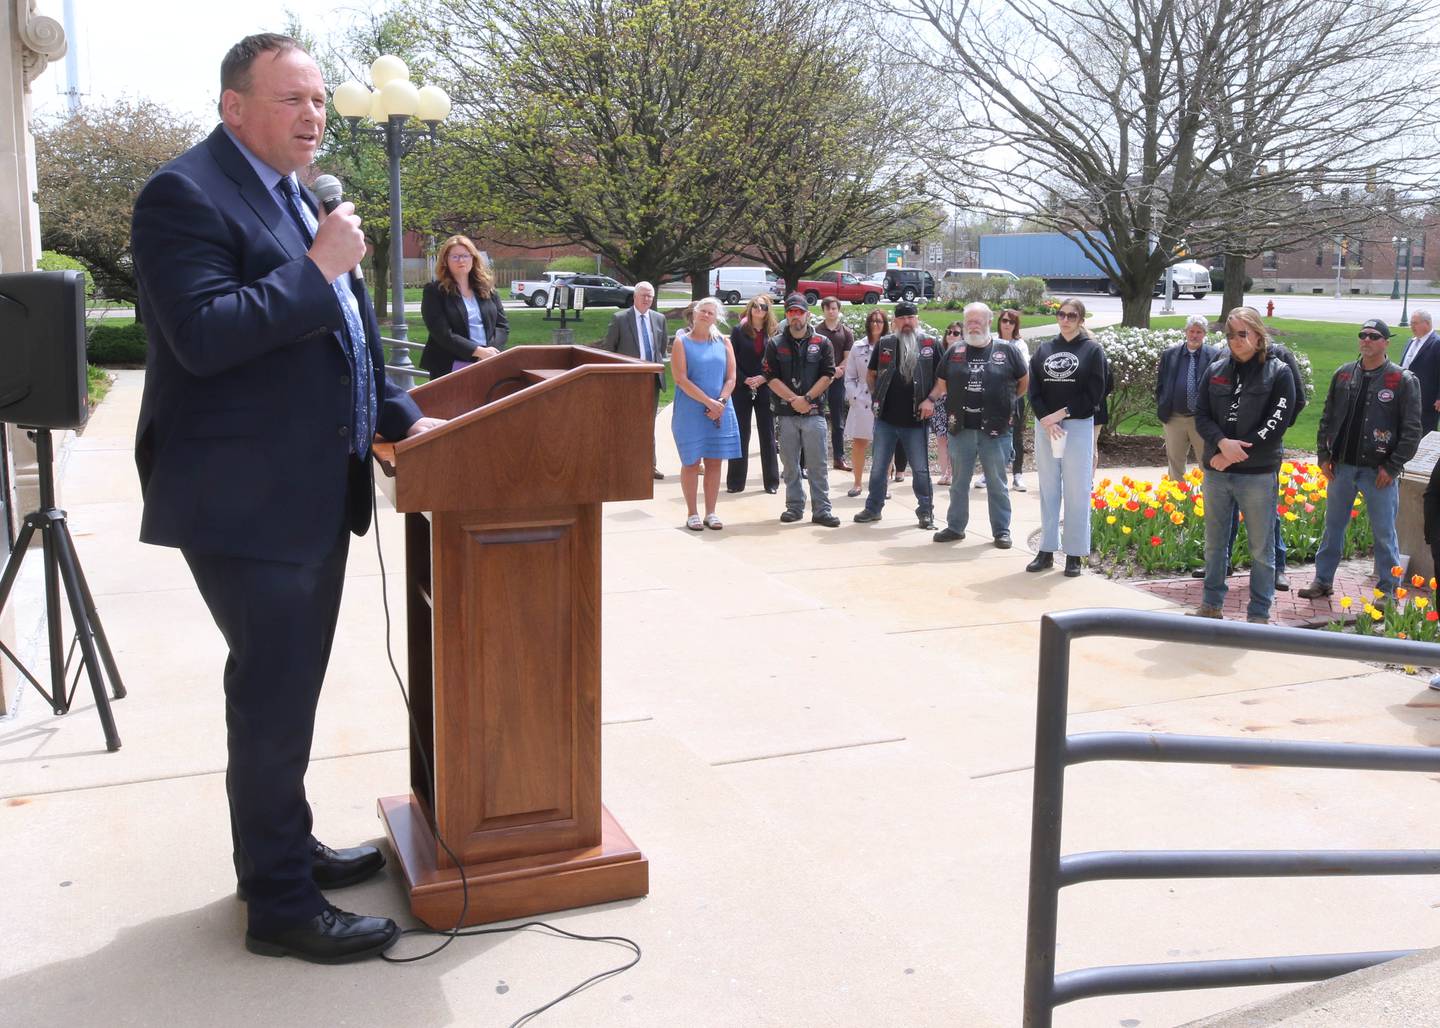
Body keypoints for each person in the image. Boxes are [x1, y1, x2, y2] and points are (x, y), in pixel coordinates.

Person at [130, 33, 443, 963]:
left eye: (317, 100)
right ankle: (280, 906)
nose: (314, 116)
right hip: (245, 500)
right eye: (292, 100)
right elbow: (203, 334)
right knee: (270, 699)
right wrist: (318, 269)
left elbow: (342, 331)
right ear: (235, 107)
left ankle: (285, 850)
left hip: (310, 491)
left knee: (290, 694)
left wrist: (405, 415)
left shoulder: (295, 193)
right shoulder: (183, 194)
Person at [1299, 318, 1422, 600]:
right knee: (1333, 528)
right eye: (1363, 335)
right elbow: (1327, 418)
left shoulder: (1402, 380)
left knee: (1384, 533)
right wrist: (1323, 455)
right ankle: (1322, 580)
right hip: (1341, 467)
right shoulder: (1344, 375)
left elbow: (1412, 430)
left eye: (1374, 336)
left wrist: (1392, 466)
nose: (1366, 340)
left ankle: (1389, 589)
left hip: (1377, 471)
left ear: (1386, 342)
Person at [1192, 307, 1297, 623]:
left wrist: (1234, 453)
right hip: (1218, 472)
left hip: (1257, 473)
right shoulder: (1216, 369)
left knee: (1261, 549)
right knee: (1214, 545)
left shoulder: (1279, 373)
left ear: (1258, 335)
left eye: (1242, 334)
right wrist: (1222, 445)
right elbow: (1201, 414)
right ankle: (1211, 606)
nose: (1235, 341)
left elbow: (1276, 423)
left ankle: (1259, 613)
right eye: (1230, 334)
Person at [929, 303, 1027, 547]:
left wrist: (1006, 402)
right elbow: (942, 382)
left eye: (978, 320)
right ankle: (955, 527)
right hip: (961, 429)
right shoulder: (955, 351)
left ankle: (1001, 531)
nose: (973, 325)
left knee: (997, 483)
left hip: (995, 430)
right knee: (959, 483)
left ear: (988, 321)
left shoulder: (1007, 351)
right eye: (969, 321)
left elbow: (1023, 383)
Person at [1027, 299, 1108, 576]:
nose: (1065, 320)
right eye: (1061, 314)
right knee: (1049, 489)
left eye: (1072, 316)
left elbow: (1094, 394)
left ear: (1081, 320)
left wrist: (1060, 414)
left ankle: (1074, 553)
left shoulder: (1092, 351)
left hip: (1076, 426)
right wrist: (1045, 419)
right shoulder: (1044, 349)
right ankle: (1046, 550)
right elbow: (1034, 390)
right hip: (1047, 427)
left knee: (1076, 490)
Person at [854, 300, 941, 529]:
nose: (906, 323)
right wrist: (877, 397)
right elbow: (871, 374)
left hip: (917, 420)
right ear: (894, 322)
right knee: (879, 468)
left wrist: (930, 400)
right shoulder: (885, 343)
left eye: (910, 318)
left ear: (917, 319)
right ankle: (873, 508)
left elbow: (944, 380)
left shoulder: (931, 344)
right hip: (886, 419)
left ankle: (926, 513)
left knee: (921, 470)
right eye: (902, 319)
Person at [763, 294, 841, 527]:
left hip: (814, 412)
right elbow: (770, 376)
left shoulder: (822, 343)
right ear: (786, 316)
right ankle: (794, 507)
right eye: (791, 313)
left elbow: (828, 374)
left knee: (817, 464)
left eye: (800, 312)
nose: (795, 317)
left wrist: (807, 398)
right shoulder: (775, 344)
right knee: (789, 465)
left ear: (807, 314)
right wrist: (793, 399)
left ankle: (822, 510)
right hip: (786, 414)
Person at [670, 296, 742, 529]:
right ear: (694, 312)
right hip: (691, 411)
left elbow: (731, 377)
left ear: (717, 317)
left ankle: (711, 512)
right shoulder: (682, 342)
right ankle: (692, 513)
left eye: (711, 312)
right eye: (702, 310)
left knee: (714, 462)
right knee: (691, 462)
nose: (706, 315)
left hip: (720, 410)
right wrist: (708, 402)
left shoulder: (724, 343)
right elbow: (680, 379)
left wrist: (720, 402)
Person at [599, 280, 669, 480]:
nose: (647, 299)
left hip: (651, 379)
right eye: (643, 295)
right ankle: (622, 464)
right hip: (627, 381)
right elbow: (608, 350)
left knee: (648, 423)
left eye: (650, 296)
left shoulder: (659, 318)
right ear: (635, 297)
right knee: (626, 423)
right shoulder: (620, 318)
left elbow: (661, 348)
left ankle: (650, 465)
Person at [418, 235, 507, 379]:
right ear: (445, 260)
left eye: (465, 255)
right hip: (450, 365)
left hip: (488, 362)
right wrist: (477, 351)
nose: (461, 260)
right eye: (455, 257)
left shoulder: (487, 289)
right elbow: (442, 333)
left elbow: (502, 326)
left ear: (473, 258)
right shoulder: (434, 291)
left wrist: (490, 352)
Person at [1156, 314, 1220, 483]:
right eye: (1191, 331)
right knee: (1175, 463)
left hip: (1202, 420)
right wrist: (1163, 404)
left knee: (1207, 463)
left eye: (1199, 332)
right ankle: (1175, 501)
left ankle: (1206, 503)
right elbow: (1161, 384)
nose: (1194, 335)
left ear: (1204, 334)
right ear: (1185, 332)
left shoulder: (1215, 356)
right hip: (1174, 418)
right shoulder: (1170, 355)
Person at [726, 294, 780, 494]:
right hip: (742, 388)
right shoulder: (739, 331)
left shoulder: (773, 333)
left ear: (768, 311)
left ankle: (771, 483)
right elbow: (731, 360)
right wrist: (744, 379)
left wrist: (764, 378)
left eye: (764, 307)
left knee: (768, 434)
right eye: (756, 306)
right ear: (750, 308)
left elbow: (777, 362)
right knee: (741, 434)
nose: (759, 309)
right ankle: (735, 482)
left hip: (765, 387)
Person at [844, 310, 887, 497]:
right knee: (859, 442)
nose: (876, 324)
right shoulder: (858, 346)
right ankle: (857, 482)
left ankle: (882, 485)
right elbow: (849, 377)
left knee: (886, 443)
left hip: (886, 398)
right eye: (873, 321)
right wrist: (854, 397)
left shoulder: (892, 344)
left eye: (880, 321)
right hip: (862, 399)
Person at [815, 296, 854, 473]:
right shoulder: (816, 331)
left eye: (834, 308)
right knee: (816, 418)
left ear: (839, 310)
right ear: (823, 310)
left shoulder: (846, 332)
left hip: (838, 381)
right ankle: (816, 458)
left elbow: (848, 357)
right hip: (819, 381)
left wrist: (838, 370)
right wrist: (828, 372)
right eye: (828, 308)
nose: (831, 311)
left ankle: (839, 458)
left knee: (838, 420)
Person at [999, 308, 1030, 492]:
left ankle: (1017, 475)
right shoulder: (992, 341)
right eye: (1004, 320)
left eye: (1011, 322)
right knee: (992, 434)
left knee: (1016, 435)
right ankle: (991, 474)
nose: (1007, 324)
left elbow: (1022, 372)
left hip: (1014, 396)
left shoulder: (1020, 345)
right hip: (994, 398)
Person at [1400, 310, 1440, 434]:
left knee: (1424, 432)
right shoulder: (1411, 342)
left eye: (1415, 323)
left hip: (1427, 399)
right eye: (1411, 323)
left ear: (1427, 324)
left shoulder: (1437, 343)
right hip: (1405, 395)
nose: (1412, 326)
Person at [929, 323, 958, 487]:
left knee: (955, 438)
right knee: (941, 438)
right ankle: (944, 473)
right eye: (949, 332)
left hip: (957, 402)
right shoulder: (939, 353)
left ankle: (953, 473)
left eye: (956, 332)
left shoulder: (966, 353)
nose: (952, 335)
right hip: (940, 401)